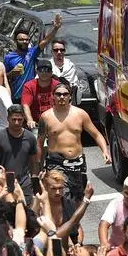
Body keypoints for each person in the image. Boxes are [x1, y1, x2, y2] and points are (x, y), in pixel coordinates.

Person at [39, 78, 110, 206]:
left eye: (65, 94)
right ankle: (64, 222)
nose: (61, 97)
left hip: (78, 163)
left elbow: (96, 134)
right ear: (53, 96)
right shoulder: (46, 117)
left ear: (70, 96)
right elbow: (39, 144)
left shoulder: (80, 114)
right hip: (56, 163)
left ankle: (74, 225)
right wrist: (39, 167)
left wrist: (105, 151)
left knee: (78, 200)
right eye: (58, 94)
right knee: (62, 198)